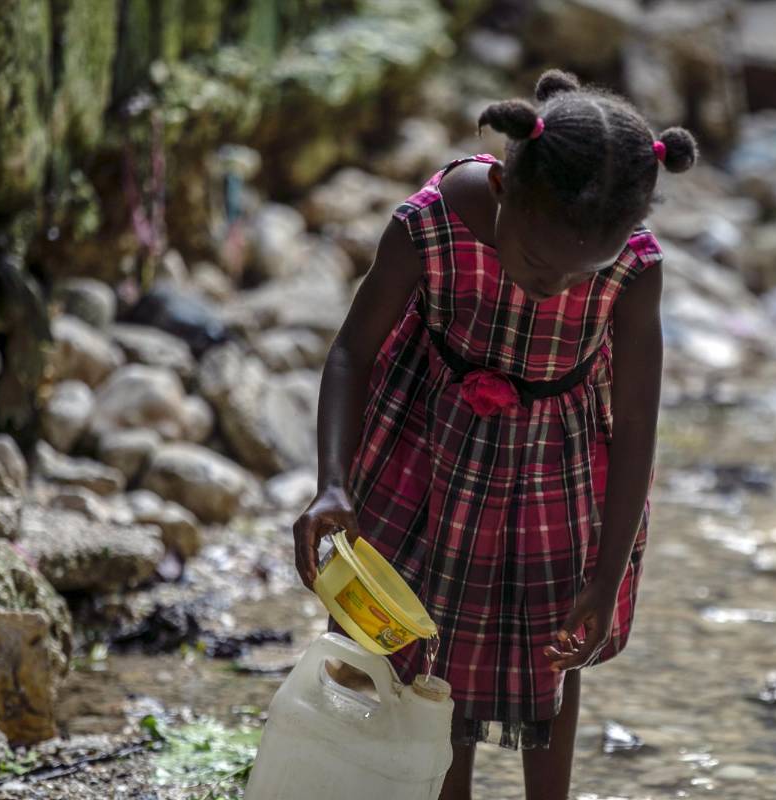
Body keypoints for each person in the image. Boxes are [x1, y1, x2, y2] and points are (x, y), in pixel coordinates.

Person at [293, 67, 698, 800]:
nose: (556, 287)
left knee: (555, 649)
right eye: (541, 263)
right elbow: (353, 349)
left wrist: (606, 577)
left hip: (552, 475)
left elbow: (637, 422)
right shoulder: (434, 222)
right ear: (505, 192)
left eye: (583, 274)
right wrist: (331, 482)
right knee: (426, 652)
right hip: (423, 460)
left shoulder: (634, 272)